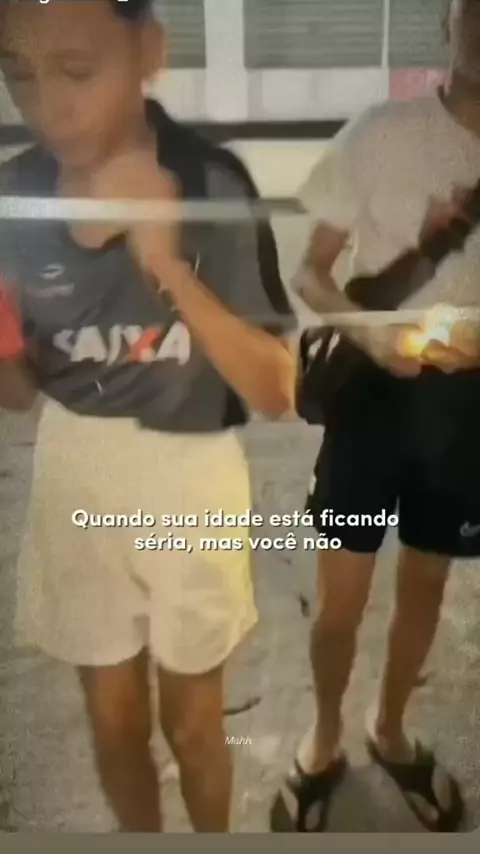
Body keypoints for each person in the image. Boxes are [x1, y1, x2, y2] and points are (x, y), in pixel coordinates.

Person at [0, 0, 296, 833]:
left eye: (76, 70)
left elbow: (277, 389)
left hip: (188, 469)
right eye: (18, 75)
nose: (47, 106)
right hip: (74, 465)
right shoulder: (17, 194)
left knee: (195, 723)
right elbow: (19, 394)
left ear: (148, 50)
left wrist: (166, 265)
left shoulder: (209, 184)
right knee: (113, 720)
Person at [270, 0, 480, 834]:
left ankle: (389, 728)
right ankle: (323, 739)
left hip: (465, 415)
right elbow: (310, 273)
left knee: (425, 585)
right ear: (448, 19)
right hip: (371, 407)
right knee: (341, 600)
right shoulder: (379, 132)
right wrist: (374, 336)